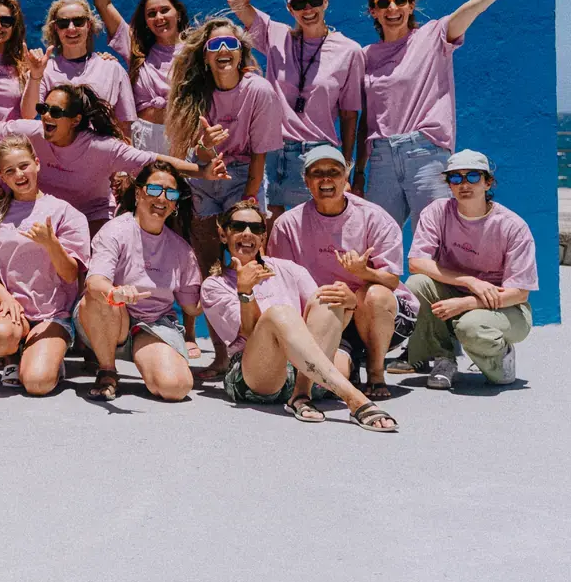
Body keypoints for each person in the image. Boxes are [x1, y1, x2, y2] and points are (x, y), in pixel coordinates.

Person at [359, 0, 553, 227]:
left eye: (400, 1)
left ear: (410, 5)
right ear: (373, 11)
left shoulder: (435, 35)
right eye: (383, 3)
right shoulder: (366, 56)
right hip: (380, 159)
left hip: (424, 154)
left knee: (436, 239)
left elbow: (478, 3)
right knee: (375, 242)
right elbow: (367, 117)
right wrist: (359, 169)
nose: (393, 8)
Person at [191, 199, 399, 431]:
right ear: (223, 234)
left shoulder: (288, 269)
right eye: (238, 227)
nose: (247, 234)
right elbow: (249, 331)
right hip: (257, 378)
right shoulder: (214, 285)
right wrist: (245, 291)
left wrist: (349, 304)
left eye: (256, 229)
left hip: (305, 375)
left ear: (263, 236)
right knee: (279, 314)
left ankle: (300, 396)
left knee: (327, 297)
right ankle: (356, 400)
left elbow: (328, 324)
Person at [225, 0, 364, 212]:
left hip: (318, 154)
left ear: (325, 2)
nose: (308, 8)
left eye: (313, 0)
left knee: (312, 234)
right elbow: (237, 2)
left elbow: (350, 115)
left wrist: (346, 166)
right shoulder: (275, 35)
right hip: (270, 150)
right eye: (299, 4)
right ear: (290, 9)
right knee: (267, 231)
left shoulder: (349, 50)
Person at [267, 145, 410, 399]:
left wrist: (362, 273)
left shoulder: (375, 218)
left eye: (333, 172)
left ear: (346, 178)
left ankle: (376, 373)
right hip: (324, 313)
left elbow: (391, 280)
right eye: (317, 173)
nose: (326, 179)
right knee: (335, 377)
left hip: (374, 314)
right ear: (306, 180)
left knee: (376, 294)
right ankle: (349, 363)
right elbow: (282, 286)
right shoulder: (287, 225)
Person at [400, 150, 538, 389]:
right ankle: (443, 359)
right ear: (449, 185)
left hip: (506, 306)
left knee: (470, 327)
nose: (464, 184)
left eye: (472, 177)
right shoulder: (437, 212)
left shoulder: (512, 226)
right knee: (416, 284)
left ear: (488, 182)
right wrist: (469, 282)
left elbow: (520, 293)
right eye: (456, 178)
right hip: (457, 291)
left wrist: (467, 303)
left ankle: (500, 354)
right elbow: (416, 262)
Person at [0, 135, 91, 394]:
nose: (19, 174)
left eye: (24, 165)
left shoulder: (65, 212)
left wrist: (51, 244)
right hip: (10, 309)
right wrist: (6, 299)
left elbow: (71, 275)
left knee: (37, 384)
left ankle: (47, 359)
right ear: (2, 177)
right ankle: (11, 358)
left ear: (37, 163)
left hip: (51, 313)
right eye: (10, 171)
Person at [166, 16, 285, 273]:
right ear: (206, 58)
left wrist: (249, 202)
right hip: (203, 179)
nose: (223, 50)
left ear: (240, 53)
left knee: (248, 263)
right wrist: (205, 146)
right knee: (209, 266)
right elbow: (195, 157)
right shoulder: (194, 94)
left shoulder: (259, 91)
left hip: (242, 177)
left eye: (230, 43)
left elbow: (259, 155)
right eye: (215, 45)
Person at [15, 83, 215, 235]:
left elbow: (154, 160)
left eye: (56, 112)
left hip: (91, 217)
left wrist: (203, 171)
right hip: (47, 215)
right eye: (43, 109)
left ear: (75, 120)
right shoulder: (32, 133)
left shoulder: (102, 147)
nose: (46, 116)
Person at [78, 161, 203, 401]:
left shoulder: (181, 249)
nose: (162, 198)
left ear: (176, 203)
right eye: (154, 189)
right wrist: (116, 293)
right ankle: (107, 371)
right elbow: (94, 283)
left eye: (171, 193)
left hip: (154, 324)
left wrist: (232, 287)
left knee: (176, 387)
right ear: (138, 193)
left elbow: (192, 307)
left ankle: (146, 357)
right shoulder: (115, 231)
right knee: (100, 298)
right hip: (111, 317)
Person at [84, 0, 188, 153]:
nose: (159, 17)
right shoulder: (136, 46)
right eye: (151, 14)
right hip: (144, 138)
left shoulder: (195, 50)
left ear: (177, 13)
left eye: (164, 10)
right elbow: (104, 5)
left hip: (184, 137)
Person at [36, 0, 136, 132]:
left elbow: (124, 126)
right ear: (55, 28)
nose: (71, 28)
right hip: (58, 151)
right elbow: (32, 115)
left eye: (78, 22)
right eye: (63, 24)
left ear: (88, 25)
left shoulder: (113, 69)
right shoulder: (45, 71)